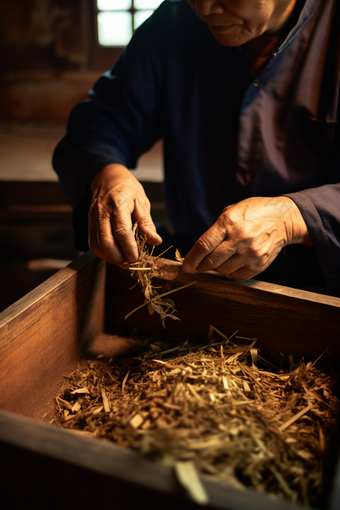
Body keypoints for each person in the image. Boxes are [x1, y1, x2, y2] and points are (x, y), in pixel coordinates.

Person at [53, 0, 340, 296]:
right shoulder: (176, 20)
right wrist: (108, 174)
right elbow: (100, 123)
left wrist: (292, 218)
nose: (203, 8)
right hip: (191, 276)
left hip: (319, 287)